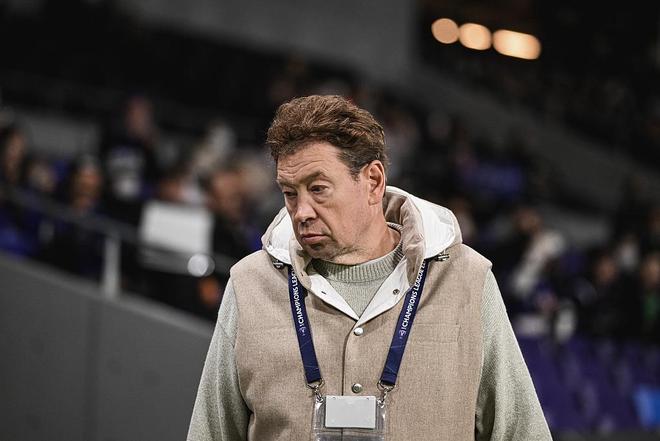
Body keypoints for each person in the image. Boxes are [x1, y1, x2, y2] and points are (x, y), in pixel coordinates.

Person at [187, 95, 552, 440]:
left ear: (373, 182)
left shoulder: (467, 280)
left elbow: (522, 432)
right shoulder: (249, 284)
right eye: (290, 192)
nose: (301, 212)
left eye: (318, 188)